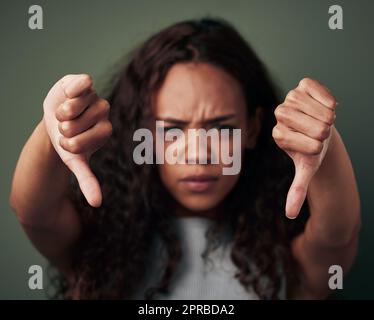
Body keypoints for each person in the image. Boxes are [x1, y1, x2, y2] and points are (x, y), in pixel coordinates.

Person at [9, 18, 361, 300]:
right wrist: (53, 129)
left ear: (253, 129)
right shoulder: (103, 246)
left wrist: (322, 145)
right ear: (142, 130)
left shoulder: (286, 255)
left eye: (221, 127)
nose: (198, 153)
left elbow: (337, 236)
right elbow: (34, 213)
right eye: (172, 130)